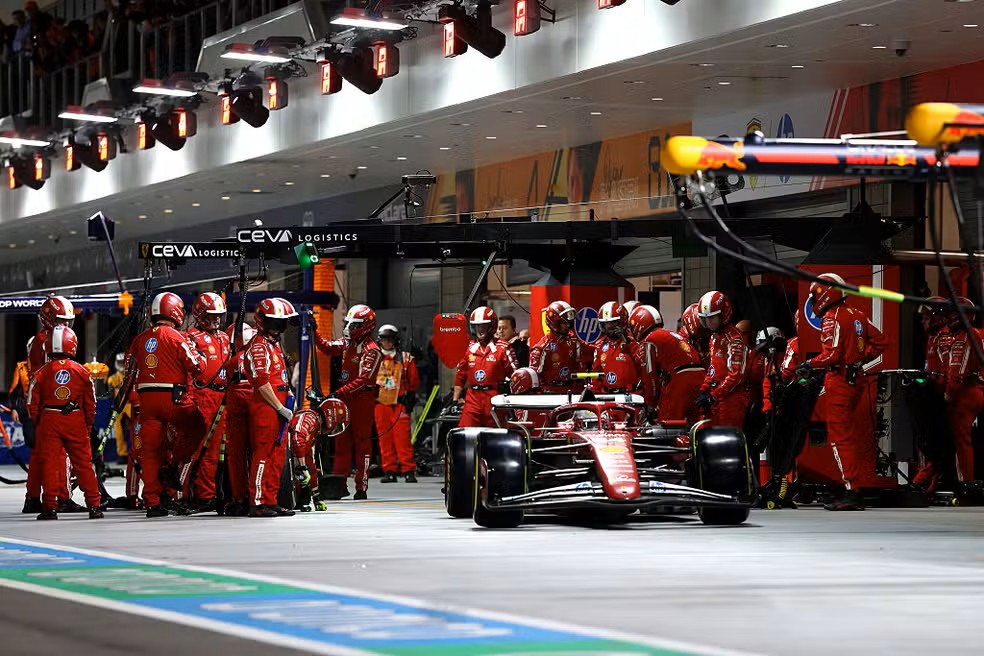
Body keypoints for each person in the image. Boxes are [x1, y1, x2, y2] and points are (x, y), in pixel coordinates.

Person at [798, 273, 887, 511]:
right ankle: (852, 486)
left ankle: (851, 490)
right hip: (856, 380)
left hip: (839, 380)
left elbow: (832, 355)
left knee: (839, 437)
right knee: (849, 434)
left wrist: (809, 364)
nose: (813, 299)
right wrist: (858, 358)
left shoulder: (831, 318)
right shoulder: (857, 315)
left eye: (815, 294)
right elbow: (881, 343)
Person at [128, 292, 205, 517]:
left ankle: (152, 502)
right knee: (197, 426)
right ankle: (173, 469)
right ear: (175, 311)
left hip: (146, 401)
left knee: (151, 451)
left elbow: (130, 373)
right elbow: (197, 366)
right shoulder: (177, 337)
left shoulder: (139, 339)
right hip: (173, 399)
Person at [26, 326, 103, 520]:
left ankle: (50, 508)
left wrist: (39, 422)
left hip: (49, 420)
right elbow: (91, 403)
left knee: (50, 464)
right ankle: (94, 506)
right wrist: (87, 425)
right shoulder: (82, 371)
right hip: (75, 419)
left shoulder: (41, 373)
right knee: (84, 464)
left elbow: (31, 403)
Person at [312, 304, 382, 500]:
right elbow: (327, 347)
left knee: (362, 444)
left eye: (355, 324)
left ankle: (362, 487)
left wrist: (337, 392)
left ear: (366, 326)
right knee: (341, 443)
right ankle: (339, 485)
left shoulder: (372, 350)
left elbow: (363, 380)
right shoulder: (347, 343)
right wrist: (314, 330)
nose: (350, 328)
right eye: (349, 324)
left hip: (362, 401)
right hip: (344, 399)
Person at [239, 298, 298, 517]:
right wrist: (279, 407)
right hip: (266, 406)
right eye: (274, 322)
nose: (278, 327)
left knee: (277, 455)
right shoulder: (258, 346)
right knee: (263, 454)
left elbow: (280, 377)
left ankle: (270, 500)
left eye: (281, 323)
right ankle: (257, 502)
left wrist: (289, 398)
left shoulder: (274, 346)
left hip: (281, 403)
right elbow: (261, 381)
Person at [175, 292, 231, 509]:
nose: (216, 320)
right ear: (200, 315)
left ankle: (206, 496)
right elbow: (187, 372)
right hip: (201, 396)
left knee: (213, 451)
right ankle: (179, 494)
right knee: (193, 448)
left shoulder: (225, 338)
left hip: (221, 397)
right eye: (211, 315)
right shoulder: (191, 338)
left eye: (219, 316)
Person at [23, 296, 78, 515]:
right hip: (51, 404)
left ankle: (32, 497)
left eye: (67, 321)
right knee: (61, 451)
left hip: (37, 401)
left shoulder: (36, 340)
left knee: (39, 453)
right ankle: (63, 497)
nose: (65, 326)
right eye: (61, 321)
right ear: (49, 319)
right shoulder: (48, 342)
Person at [628, 304, 704, 423]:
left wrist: (651, 405)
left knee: (667, 423)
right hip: (700, 376)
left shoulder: (649, 341)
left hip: (680, 379)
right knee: (694, 421)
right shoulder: (672, 335)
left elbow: (649, 377)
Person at [912, 297, 954, 490]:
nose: (923, 321)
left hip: (942, 396)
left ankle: (943, 475)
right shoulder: (933, 337)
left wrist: (946, 391)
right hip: (932, 392)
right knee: (926, 435)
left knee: (939, 438)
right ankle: (930, 471)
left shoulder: (944, 337)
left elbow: (948, 368)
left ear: (936, 317)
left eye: (926, 317)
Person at [453, 306, 518, 428]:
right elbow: (460, 375)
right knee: (466, 435)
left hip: (494, 399)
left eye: (483, 325)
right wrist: (454, 401)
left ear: (491, 326)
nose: (480, 329)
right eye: (477, 326)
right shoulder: (468, 348)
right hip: (472, 399)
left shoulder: (503, 348)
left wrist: (516, 401)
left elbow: (516, 376)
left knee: (494, 438)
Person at [695, 291, 750, 429]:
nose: (709, 322)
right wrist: (704, 389)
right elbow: (712, 369)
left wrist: (713, 395)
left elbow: (736, 375)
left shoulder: (735, 339)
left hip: (731, 401)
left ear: (723, 315)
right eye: (705, 319)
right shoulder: (714, 338)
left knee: (726, 443)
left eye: (712, 318)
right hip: (715, 399)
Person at [374, 324, 420, 484]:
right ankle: (389, 470)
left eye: (389, 339)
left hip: (400, 404)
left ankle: (408, 470)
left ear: (395, 340)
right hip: (380, 404)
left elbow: (413, 380)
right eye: (384, 339)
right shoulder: (374, 358)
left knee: (403, 439)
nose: (386, 342)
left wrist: (411, 398)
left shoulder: (406, 359)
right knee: (384, 439)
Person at [944, 297, 982, 486]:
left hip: (965, 393)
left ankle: (965, 484)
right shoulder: (978, 333)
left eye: (951, 314)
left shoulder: (963, 337)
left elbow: (957, 371)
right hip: (977, 389)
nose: (948, 318)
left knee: (961, 442)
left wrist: (948, 394)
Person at [288, 397, 349, 512]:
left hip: (286, 465)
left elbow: (310, 464)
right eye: (337, 427)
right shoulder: (309, 418)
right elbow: (296, 440)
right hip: (281, 463)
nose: (334, 431)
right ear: (332, 419)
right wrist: (302, 468)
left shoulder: (315, 428)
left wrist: (316, 497)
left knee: (306, 475)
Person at [222, 322, 256, 516]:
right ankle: (259, 496)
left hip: (236, 407)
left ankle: (239, 498)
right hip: (259, 405)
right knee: (261, 453)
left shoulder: (231, 362)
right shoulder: (263, 353)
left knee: (235, 455)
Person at [528, 300, 588, 393]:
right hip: (550, 393)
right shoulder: (542, 347)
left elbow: (591, 352)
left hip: (572, 390)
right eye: (564, 323)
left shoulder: (574, 340)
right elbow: (534, 377)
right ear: (554, 323)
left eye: (569, 322)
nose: (568, 326)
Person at [591, 301, 641, 393]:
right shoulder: (599, 345)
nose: (609, 326)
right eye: (606, 323)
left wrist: (629, 343)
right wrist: (595, 394)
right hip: (607, 397)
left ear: (622, 322)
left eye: (613, 323)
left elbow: (643, 363)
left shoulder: (635, 341)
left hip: (632, 395)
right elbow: (596, 374)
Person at [105, 353, 130, 464]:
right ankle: (122, 454)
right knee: (119, 431)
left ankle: (138, 454)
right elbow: (110, 394)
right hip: (118, 406)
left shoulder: (131, 375)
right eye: (120, 363)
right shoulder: (112, 378)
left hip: (130, 404)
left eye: (123, 363)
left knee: (137, 430)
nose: (121, 365)